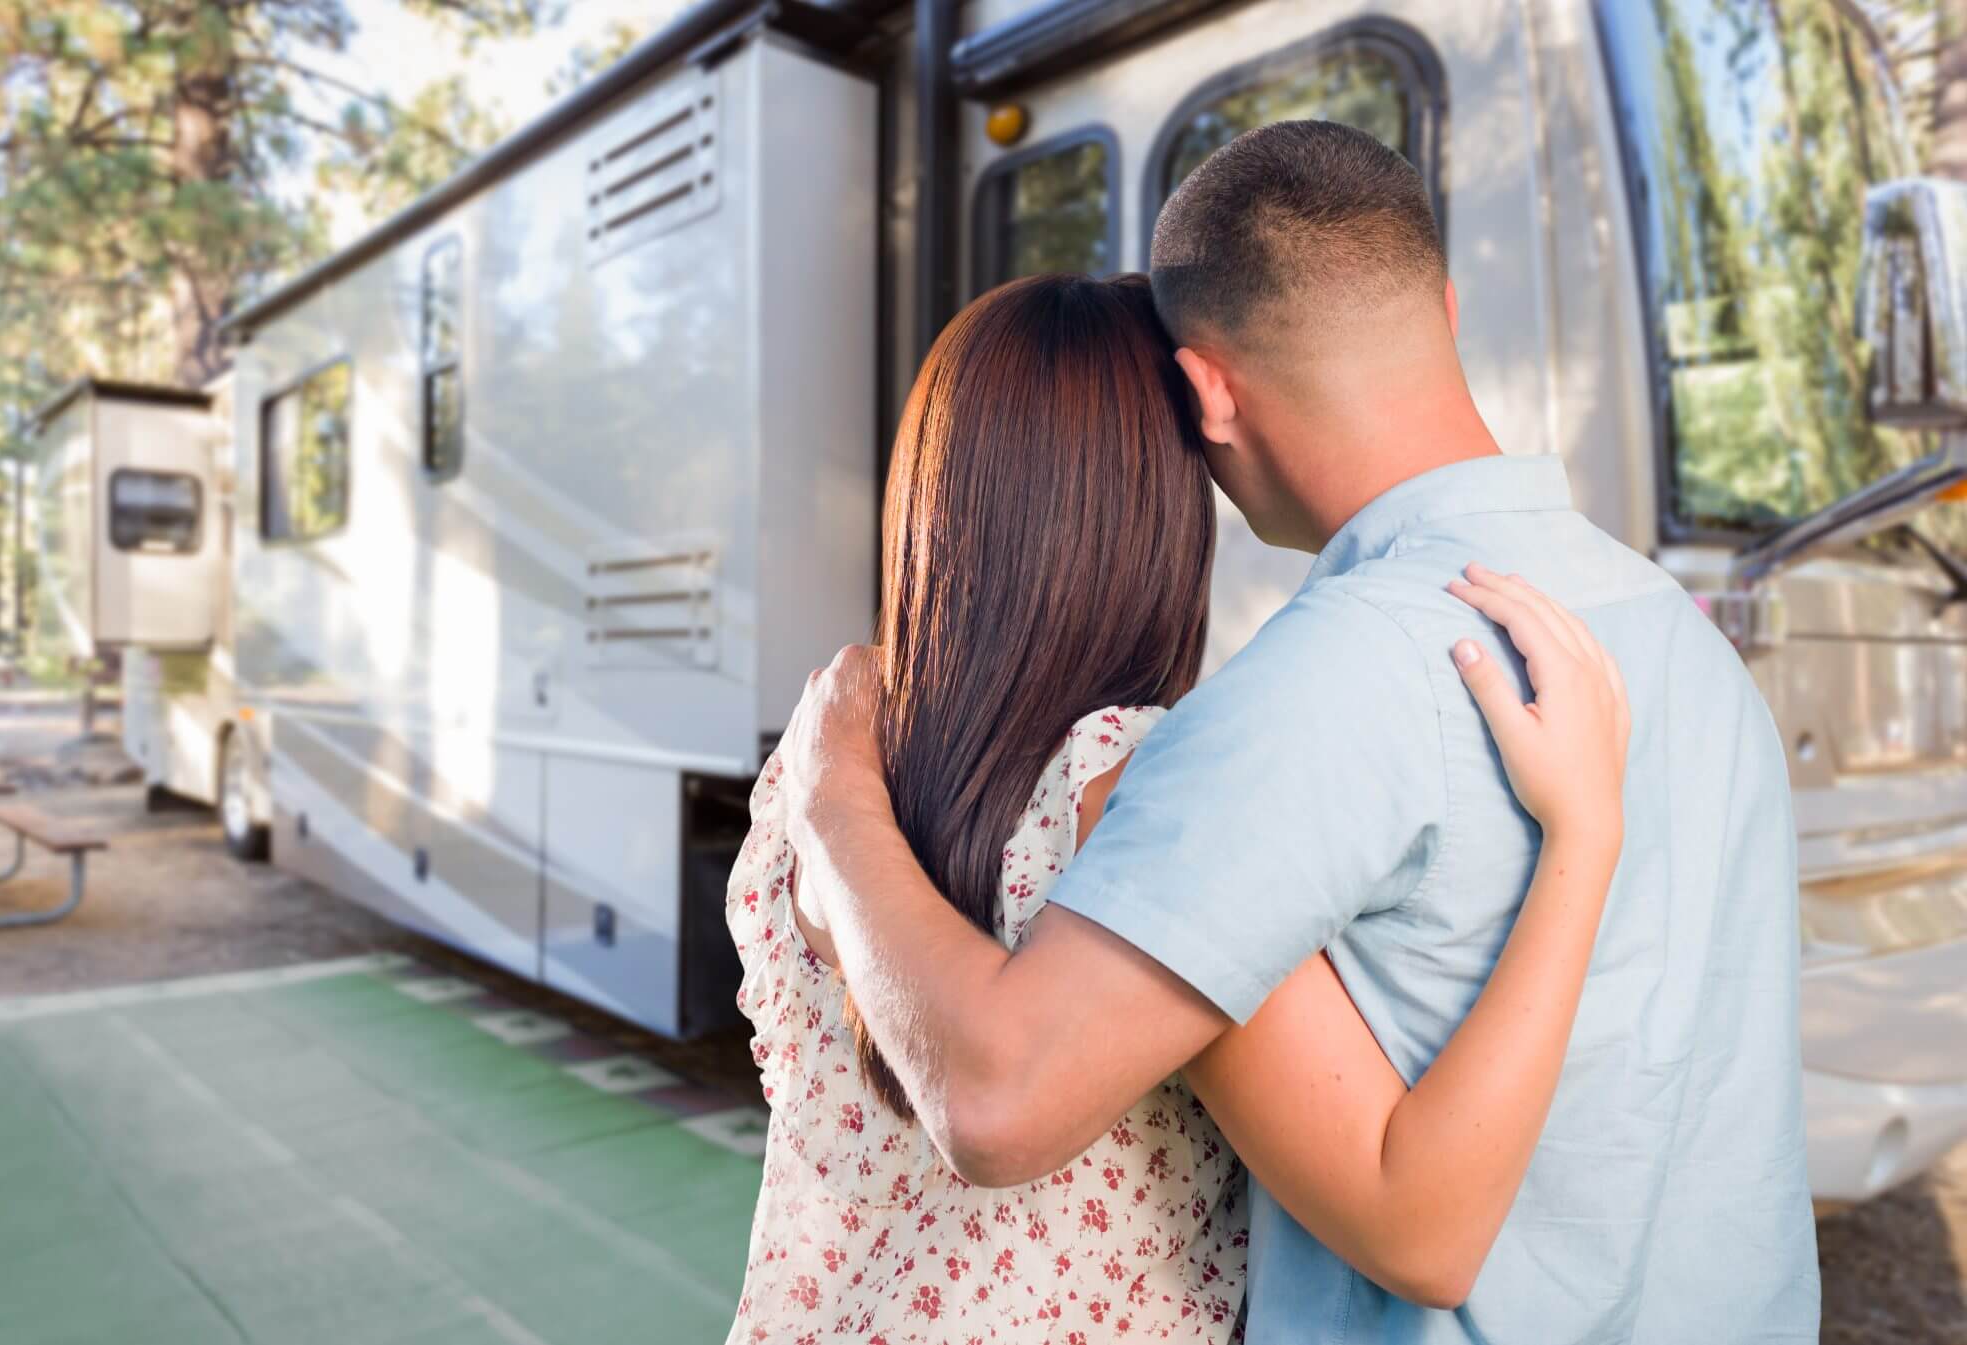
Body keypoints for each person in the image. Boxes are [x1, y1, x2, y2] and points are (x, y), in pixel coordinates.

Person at [778, 121, 1820, 1343]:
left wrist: (830, 800)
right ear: (1438, 302)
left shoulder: (1315, 689)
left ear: (1205, 392)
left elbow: (999, 1099)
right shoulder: (1682, 642)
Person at [725, 271, 1632, 1343]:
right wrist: (1583, 833)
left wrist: (832, 791)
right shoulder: (1131, 790)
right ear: (1156, 514)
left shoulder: (825, 763)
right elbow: (1416, 1226)